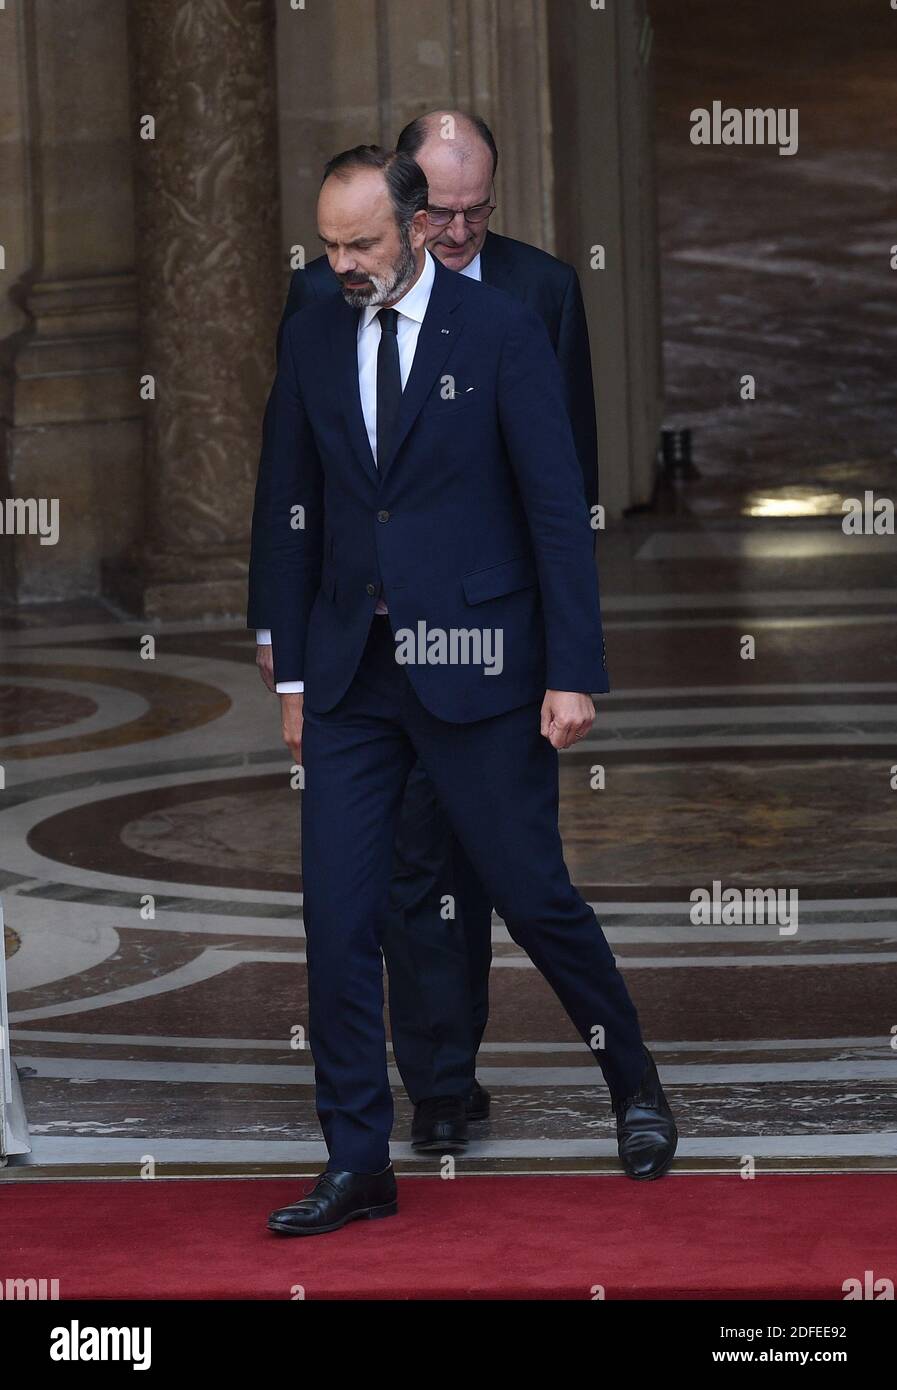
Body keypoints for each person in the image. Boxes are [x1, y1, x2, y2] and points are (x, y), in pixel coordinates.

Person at [256, 146, 677, 1237]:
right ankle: (357, 1159)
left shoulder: (497, 332)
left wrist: (572, 668)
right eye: (329, 245)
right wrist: (292, 673)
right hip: (352, 678)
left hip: (480, 666)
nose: (341, 264)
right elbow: (284, 507)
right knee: (340, 920)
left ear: (415, 226)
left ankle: (633, 1084)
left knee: (532, 893)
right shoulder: (310, 330)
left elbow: (555, 509)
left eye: (360, 245)